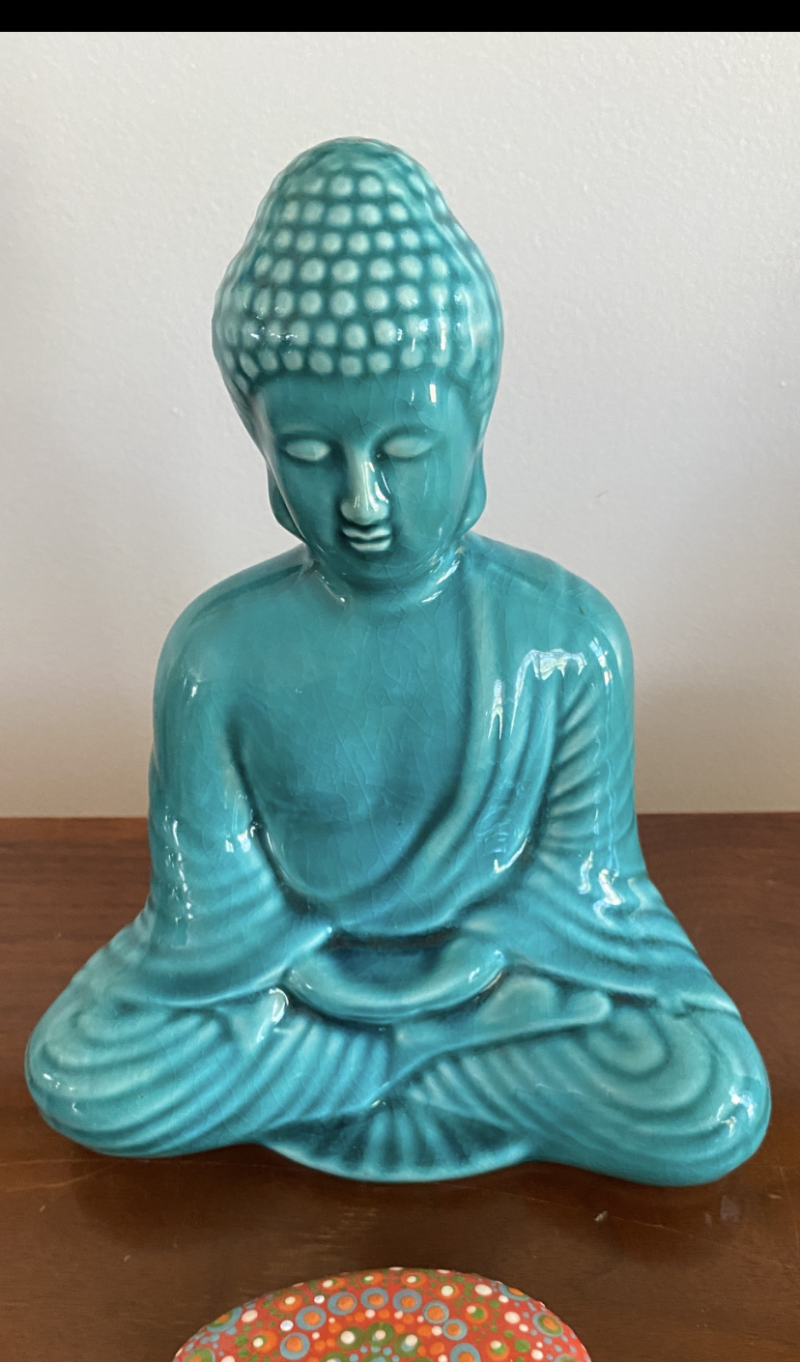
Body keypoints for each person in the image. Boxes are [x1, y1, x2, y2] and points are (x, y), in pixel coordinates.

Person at [26, 138, 769, 1184]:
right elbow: (203, 931)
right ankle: (408, 1071)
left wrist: (464, 981)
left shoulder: (566, 640)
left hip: (501, 995)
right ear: (263, 451)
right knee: (83, 1071)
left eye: (404, 451)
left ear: (475, 429)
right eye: (311, 453)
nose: (362, 500)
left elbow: (593, 898)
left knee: (706, 1098)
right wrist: (327, 990)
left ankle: (365, 1073)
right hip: (309, 1003)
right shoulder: (216, 656)